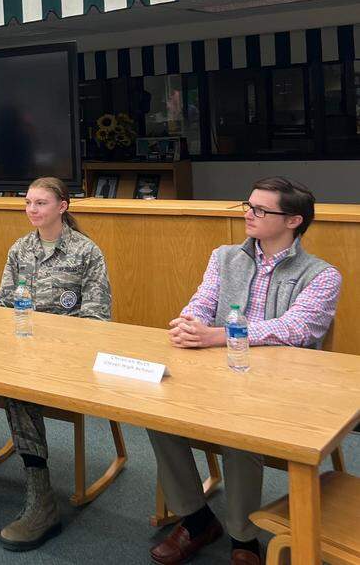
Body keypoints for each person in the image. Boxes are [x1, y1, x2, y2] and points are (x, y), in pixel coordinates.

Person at [147, 177, 341, 565]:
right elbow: (202, 302)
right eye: (248, 206)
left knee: (240, 435)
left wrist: (219, 335)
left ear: (293, 221)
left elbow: (297, 329)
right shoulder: (224, 257)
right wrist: (189, 323)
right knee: (156, 413)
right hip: (217, 375)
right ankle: (197, 518)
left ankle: (244, 536)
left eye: (261, 210)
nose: (249, 215)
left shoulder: (321, 275)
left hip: (280, 387)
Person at [0, 176, 110, 551]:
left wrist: (46, 345)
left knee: (15, 386)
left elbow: (96, 322)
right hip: (19, 349)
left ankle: (40, 496)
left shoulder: (86, 252)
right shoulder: (20, 249)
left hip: (64, 356)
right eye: (28, 202)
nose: (32, 209)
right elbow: (2, 306)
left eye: (41, 203)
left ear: (62, 206)